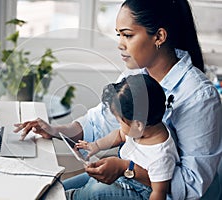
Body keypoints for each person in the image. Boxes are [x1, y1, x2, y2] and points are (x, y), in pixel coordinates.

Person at [14, 0, 222, 199]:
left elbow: (191, 186)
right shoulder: (135, 77)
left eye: (128, 35)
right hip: (128, 178)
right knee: (46, 192)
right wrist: (55, 130)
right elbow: (98, 122)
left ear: (159, 36)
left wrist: (128, 169)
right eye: (118, 35)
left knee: (80, 195)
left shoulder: (199, 97)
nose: (120, 45)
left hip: (155, 191)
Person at [72, 74, 179, 200]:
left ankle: (71, 197)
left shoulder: (161, 155)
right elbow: (119, 135)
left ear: (138, 124)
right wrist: (95, 146)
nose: (119, 126)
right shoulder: (144, 128)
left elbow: (158, 193)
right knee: (86, 178)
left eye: (120, 122)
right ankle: (63, 191)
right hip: (123, 176)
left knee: (95, 191)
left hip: (137, 191)